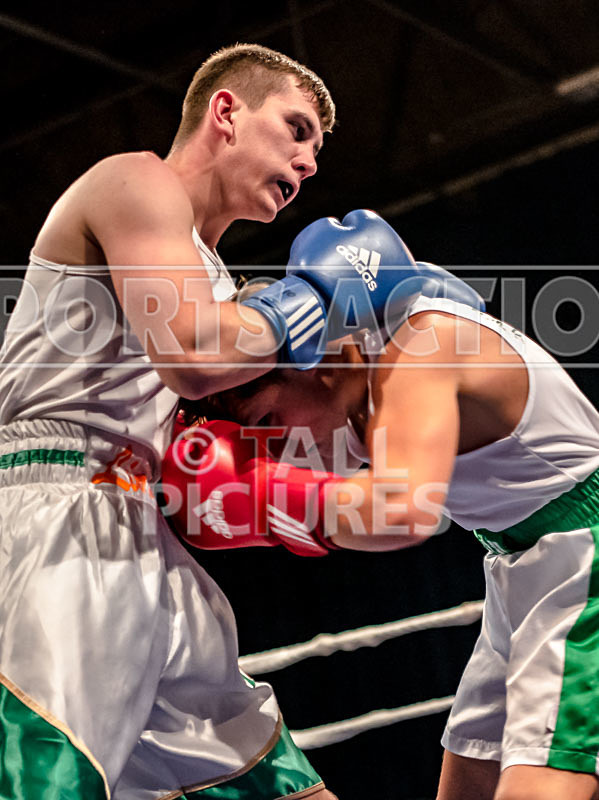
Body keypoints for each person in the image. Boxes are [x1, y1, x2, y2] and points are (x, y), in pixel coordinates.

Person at [0, 43, 342, 799]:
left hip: (137, 531)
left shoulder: (214, 276)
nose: (308, 161)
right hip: (53, 514)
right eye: (294, 129)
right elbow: (190, 352)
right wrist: (313, 295)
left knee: (278, 786)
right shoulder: (137, 180)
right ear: (225, 111)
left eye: (315, 148)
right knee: (46, 782)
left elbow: (289, 402)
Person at [163, 253, 599, 800]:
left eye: (269, 423)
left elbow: (403, 510)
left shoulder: (421, 349)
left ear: (310, 358)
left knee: (541, 784)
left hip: (586, 554)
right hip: (524, 565)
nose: (276, 447)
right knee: (470, 782)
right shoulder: (354, 381)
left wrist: (262, 496)